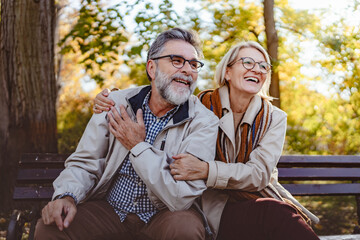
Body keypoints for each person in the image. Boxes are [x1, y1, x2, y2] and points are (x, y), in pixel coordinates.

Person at [94, 41, 320, 240]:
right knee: (272, 215)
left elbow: (259, 175)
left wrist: (206, 170)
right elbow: (157, 103)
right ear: (228, 72)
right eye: (248, 62)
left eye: (263, 66)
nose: (257, 70)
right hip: (211, 207)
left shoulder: (274, 118)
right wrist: (113, 99)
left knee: (277, 214)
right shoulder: (199, 105)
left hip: (257, 198)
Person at [34, 28, 219, 240]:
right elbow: (86, 162)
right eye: (177, 60)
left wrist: (138, 147)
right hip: (110, 210)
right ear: (152, 67)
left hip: (165, 214)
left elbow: (180, 197)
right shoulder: (116, 103)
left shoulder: (204, 122)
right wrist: (67, 195)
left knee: (185, 229)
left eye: (194, 65)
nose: (187, 70)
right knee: (51, 227)